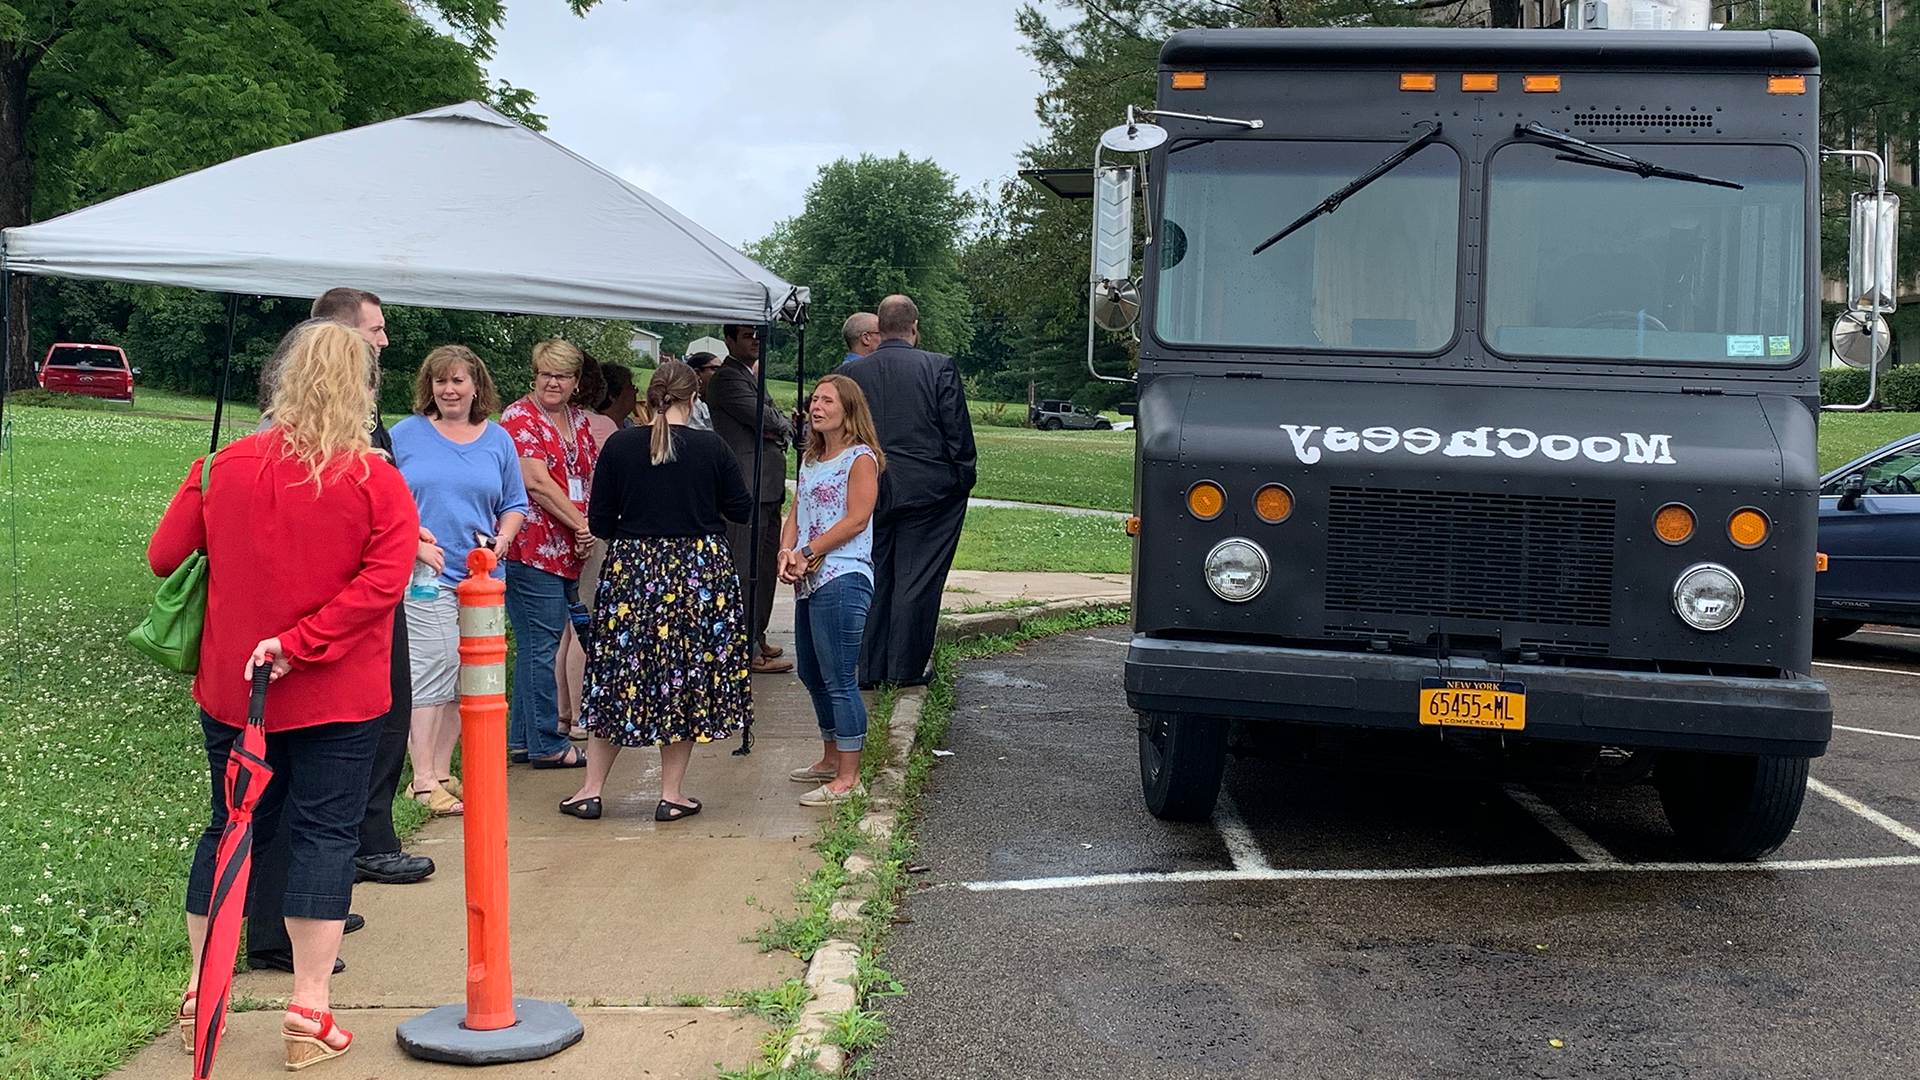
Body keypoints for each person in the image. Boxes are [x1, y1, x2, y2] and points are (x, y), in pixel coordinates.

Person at [151, 319, 418, 1070]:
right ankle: (309, 1009)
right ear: (363, 390)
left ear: (281, 383)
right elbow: (384, 582)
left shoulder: (220, 467)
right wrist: (303, 644)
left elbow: (163, 555)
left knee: (230, 828)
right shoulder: (375, 480)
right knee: (325, 836)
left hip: (236, 690)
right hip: (338, 692)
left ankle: (204, 995)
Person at [246, 290, 432, 980]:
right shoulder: (347, 464)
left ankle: (276, 929)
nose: (384, 345)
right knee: (315, 813)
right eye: (375, 333)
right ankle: (299, 971)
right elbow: (373, 569)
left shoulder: (240, 462)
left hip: (284, 644)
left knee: (274, 804)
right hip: (325, 640)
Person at [560, 362, 753, 822]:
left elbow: (601, 521)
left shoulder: (620, 446)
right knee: (683, 677)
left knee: (618, 674)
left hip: (633, 573)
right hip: (698, 574)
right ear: (695, 398)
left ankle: (590, 790)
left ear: (649, 397)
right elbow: (741, 509)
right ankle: (671, 794)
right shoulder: (711, 447)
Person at [391, 346, 528, 815]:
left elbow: (515, 503)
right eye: (440, 382)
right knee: (431, 669)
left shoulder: (498, 440)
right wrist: (413, 544)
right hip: (422, 576)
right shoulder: (404, 435)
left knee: (464, 675)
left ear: (476, 386)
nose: (449, 390)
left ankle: (444, 770)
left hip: (481, 579)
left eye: (458, 381)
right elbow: (382, 505)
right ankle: (422, 780)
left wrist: (503, 540)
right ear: (429, 387)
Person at [842, 294, 977, 687]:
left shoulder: (851, 375)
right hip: (930, 491)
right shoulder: (939, 367)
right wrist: (961, 478)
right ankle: (905, 668)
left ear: (878, 330)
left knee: (873, 574)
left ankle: (869, 668)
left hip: (869, 486)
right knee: (917, 577)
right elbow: (957, 432)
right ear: (914, 327)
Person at [778, 374, 883, 806]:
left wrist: (808, 550)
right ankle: (828, 756)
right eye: (814, 400)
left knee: (840, 677)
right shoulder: (812, 458)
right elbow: (797, 511)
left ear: (848, 409)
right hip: (809, 577)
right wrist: (786, 551)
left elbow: (858, 518)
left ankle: (848, 776)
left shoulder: (861, 459)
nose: (815, 407)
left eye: (826, 401)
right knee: (810, 672)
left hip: (843, 576)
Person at [500, 339, 598, 769]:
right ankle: (547, 743)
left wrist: (585, 528)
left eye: (561, 375)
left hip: (568, 550)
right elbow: (535, 482)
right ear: (534, 376)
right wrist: (581, 524)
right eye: (545, 374)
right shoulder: (519, 417)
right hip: (532, 548)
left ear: (576, 381)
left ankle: (522, 740)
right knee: (541, 646)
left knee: (537, 645)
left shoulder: (577, 419)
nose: (552, 382)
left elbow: (586, 475)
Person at [708, 324, 794, 674]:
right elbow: (767, 418)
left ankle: (756, 636)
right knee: (745, 568)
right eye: (747, 335)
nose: (756, 341)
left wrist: (777, 427)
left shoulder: (749, 375)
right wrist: (777, 426)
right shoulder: (728, 379)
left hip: (767, 488)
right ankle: (743, 648)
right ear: (729, 341)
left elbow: (776, 423)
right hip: (747, 488)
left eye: (759, 334)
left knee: (764, 567)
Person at [556, 353, 621, 742]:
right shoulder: (601, 426)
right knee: (585, 624)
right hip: (593, 529)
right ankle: (581, 713)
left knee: (560, 629)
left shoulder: (552, 424)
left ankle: (562, 712)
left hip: (556, 531)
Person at [685, 351, 720, 431]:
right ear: (697, 373)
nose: (721, 372)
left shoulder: (716, 398)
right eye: (715, 368)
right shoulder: (690, 402)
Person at [599, 362, 639, 429]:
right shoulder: (598, 429)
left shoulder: (628, 423)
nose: (635, 391)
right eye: (630, 388)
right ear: (613, 396)